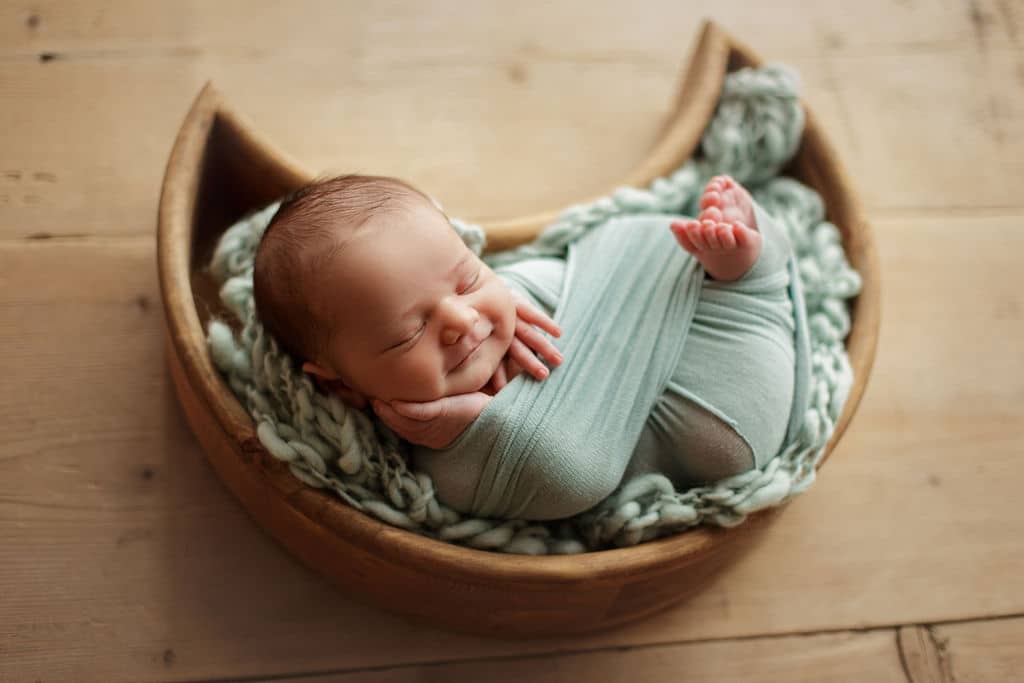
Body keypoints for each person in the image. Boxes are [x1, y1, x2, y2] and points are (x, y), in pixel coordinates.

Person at [253, 172, 796, 503]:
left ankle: (748, 263)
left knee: (671, 255)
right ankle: (749, 274)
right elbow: (568, 482)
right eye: (408, 333)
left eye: (466, 278)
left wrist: (515, 289)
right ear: (342, 385)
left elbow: (603, 275)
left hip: (726, 329)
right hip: (707, 438)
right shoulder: (432, 444)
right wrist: (478, 430)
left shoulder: (510, 292)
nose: (463, 321)